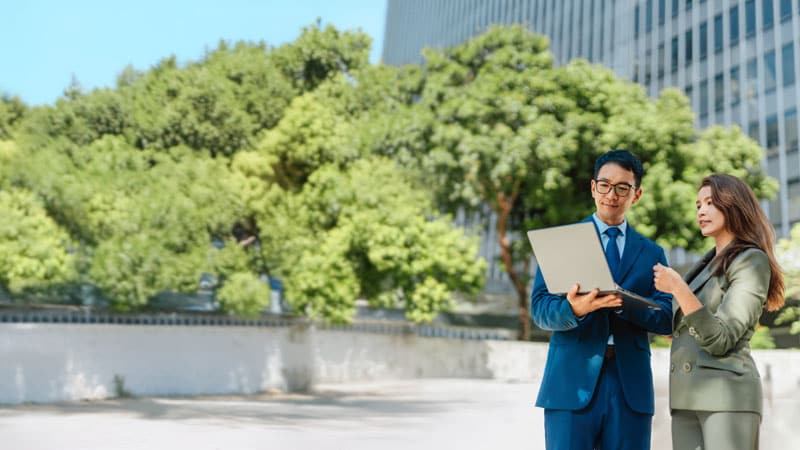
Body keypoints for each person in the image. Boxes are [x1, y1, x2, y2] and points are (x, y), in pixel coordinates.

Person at [530, 149, 673, 450]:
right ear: (593, 187)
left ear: (636, 194)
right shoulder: (563, 242)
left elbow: (665, 318)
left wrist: (624, 303)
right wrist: (573, 309)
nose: (612, 195)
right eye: (605, 185)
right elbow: (540, 307)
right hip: (570, 383)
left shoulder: (652, 253)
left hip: (629, 387)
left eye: (622, 188)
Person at [653, 173, 784, 450]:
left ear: (733, 204)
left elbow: (721, 338)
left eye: (710, 203)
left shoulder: (751, 260)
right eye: (698, 205)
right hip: (686, 398)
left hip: (728, 397)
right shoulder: (704, 266)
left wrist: (678, 288)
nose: (701, 211)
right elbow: (685, 327)